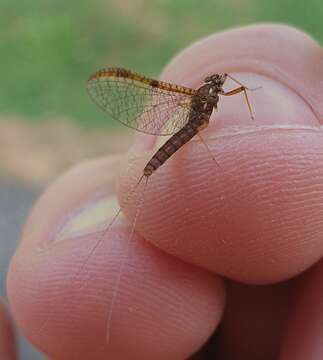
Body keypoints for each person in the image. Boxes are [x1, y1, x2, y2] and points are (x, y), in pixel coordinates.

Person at [5, 24, 323, 359]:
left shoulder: (208, 95)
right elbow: (204, 118)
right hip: (182, 142)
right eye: (217, 83)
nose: (220, 84)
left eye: (218, 83)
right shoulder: (203, 96)